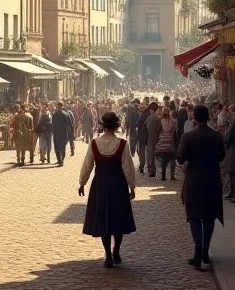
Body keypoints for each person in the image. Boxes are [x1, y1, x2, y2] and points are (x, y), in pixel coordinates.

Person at [78, 111, 136, 268]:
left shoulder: (95, 143)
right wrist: (132, 186)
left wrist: (82, 182)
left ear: (103, 126)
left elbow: (87, 164)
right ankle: (116, 251)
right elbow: (128, 167)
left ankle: (108, 255)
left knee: (103, 219)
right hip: (118, 184)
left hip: (101, 184)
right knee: (118, 218)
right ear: (116, 127)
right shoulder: (122, 144)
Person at [177, 105, 225, 270]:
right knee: (209, 217)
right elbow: (221, 156)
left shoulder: (188, 136)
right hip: (211, 179)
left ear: (195, 119)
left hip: (194, 180)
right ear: (208, 117)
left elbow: (181, 159)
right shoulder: (216, 136)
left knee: (194, 217)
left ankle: (198, 252)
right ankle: (205, 251)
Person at [155, 110, 178, 180]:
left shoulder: (161, 122)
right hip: (170, 144)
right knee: (172, 161)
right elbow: (175, 133)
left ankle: (163, 176)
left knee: (164, 161)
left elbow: (158, 132)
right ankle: (172, 176)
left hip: (162, 145)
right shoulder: (173, 122)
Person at [52, 101, 74, 166]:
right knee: (61, 147)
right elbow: (70, 124)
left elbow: (52, 124)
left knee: (58, 147)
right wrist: (71, 133)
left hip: (57, 133)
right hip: (63, 133)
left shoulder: (55, 114)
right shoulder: (66, 114)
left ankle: (60, 160)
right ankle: (61, 160)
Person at [145, 102, 162, 177]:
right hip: (157, 138)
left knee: (150, 155)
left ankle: (151, 170)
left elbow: (146, 129)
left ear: (151, 110)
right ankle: (155, 170)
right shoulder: (159, 119)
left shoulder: (149, 118)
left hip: (150, 138)